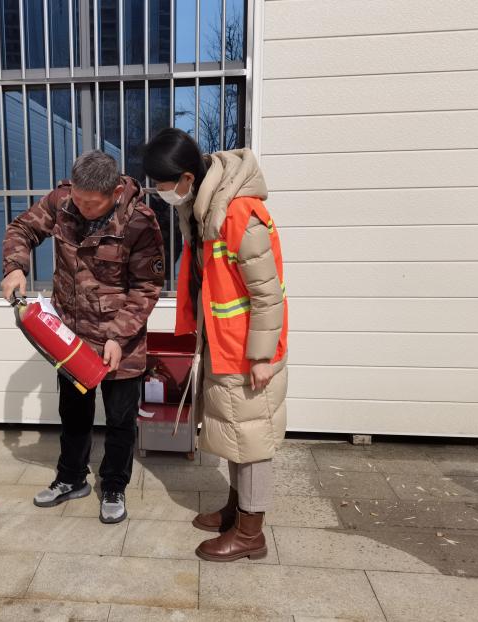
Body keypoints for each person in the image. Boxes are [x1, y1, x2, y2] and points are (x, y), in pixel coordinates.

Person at [141, 128, 288, 561]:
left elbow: (267, 293)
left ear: (187, 177)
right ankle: (236, 511)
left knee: (252, 442)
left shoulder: (239, 212)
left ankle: (250, 534)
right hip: (226, 346)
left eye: (163, 185)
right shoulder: (204, 209)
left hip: (249, 354)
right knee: (236, 435)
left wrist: (261, 357)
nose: (161, 193)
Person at [1, 150, 165, 524]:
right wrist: (15, 267)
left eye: (92, 204)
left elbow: (146, 287)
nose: (82, 208)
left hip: (120, 340)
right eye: (78, 199)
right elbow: (22, 228)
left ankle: (114, 485)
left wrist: (118, 336)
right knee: (73, 414)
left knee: (120, 419)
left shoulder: (139, 222)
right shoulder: (62, 202)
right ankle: (71, 478)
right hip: (71, 337)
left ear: (115, 192)